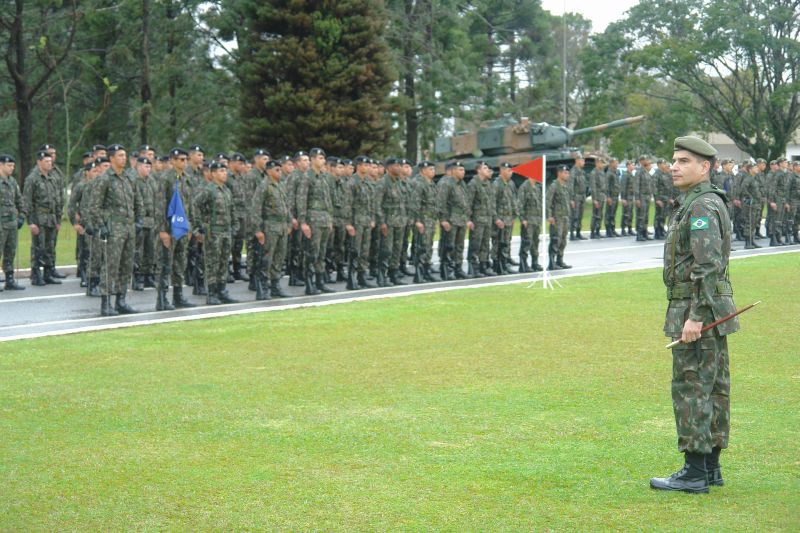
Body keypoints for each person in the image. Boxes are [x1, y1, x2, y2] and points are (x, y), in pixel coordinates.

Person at [651, 136, 739, 494]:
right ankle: (711, 467)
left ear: (704, 167)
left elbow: (707, 265)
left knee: (692, 388)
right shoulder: (699, 203)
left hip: (696, 309)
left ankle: (694, 472)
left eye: (683, 160)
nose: (674, 166)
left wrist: (695, 317)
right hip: (707, 307)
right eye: (673, 160)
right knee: (713, 387)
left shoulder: (701, 206)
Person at [87, 144, 143, 316]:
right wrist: (101, 225)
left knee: (126, 265)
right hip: (114, 228)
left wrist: (139, 219)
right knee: (111, 265)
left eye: (124, 155)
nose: (123, 158)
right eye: (119, 155)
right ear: (111, 159)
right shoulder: (105, 179)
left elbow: (137, 200)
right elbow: (94, 205)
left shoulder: (128, 178)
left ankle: (121, 300)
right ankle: (106, 302)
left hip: (128, 227)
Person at [193, 161, 238, 305]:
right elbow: (195, 205)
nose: (224, 174)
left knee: (224, 263)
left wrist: (235, 225)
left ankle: (221, 290)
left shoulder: (226, 190)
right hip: (213, 232)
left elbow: (232, 210)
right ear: (213, 174)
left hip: (226, 232)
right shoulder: (209, 190)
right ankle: (211, 293)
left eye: (225, 171)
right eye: (221, 171)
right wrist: (199, 227)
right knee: (212, 263)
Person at [251, 160, 292, 299]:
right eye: (276, 170)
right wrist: (257, 230)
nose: (279, 172)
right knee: (266, 259)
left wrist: (289, 223)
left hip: (281, 227)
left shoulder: (280, 186)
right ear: (268, 171)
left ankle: (275, 285)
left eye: (280, 170)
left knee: (279, 258)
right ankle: (263, 288)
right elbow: (256, 209)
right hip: (270, 227)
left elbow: (286, 206)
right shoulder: (264, 186)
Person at [23, 150, 63, 285]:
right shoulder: (32, 179)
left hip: (51, 218)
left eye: (50, 162)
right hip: (39, 218)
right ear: (39, 162)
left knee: (49, 247)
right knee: (38, 248)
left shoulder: (52, 178)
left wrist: (58, 219)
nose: (49, 164)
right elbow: (27, 202)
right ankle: (35, 275)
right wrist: (30, 222)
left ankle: (47, 273)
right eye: (46, 161)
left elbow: (57, 199)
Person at [0, 154, 25, 290]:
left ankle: (9, 279)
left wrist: (21, 216)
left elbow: (20, 201)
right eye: (9, 165)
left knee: (10, 252)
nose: (12, 168)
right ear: (1, 165)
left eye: (13, 166)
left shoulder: (12, 182)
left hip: (11, 224)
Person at [546, 164, 572, 270]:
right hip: (557, 218)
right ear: (559, 173)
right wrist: (549, 216)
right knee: (555, 240)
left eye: (568, 173)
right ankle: (552, 263)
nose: (567, 175)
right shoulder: (554, 186)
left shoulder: (565, 186)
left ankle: (560, 260)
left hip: (565, 217)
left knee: (563, 240)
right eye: (565, 173)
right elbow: (548, 201)